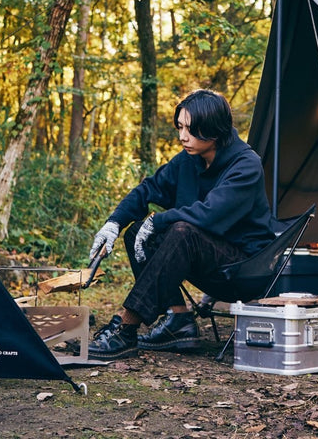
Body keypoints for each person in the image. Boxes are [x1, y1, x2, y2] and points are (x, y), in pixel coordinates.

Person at [86, 89, 278, 360]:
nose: (182, 137)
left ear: (214, 130)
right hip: (208, 262)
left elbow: (208, 215)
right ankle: (179, 321)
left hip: (244, 270)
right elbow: (148, 189)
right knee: (136, 232)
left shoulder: (246, 164)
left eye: (191, 129)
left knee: (181, 230)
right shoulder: (189, 159)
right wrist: (113, 224)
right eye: (180, 127)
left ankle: (126, 328)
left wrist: (158, 220)